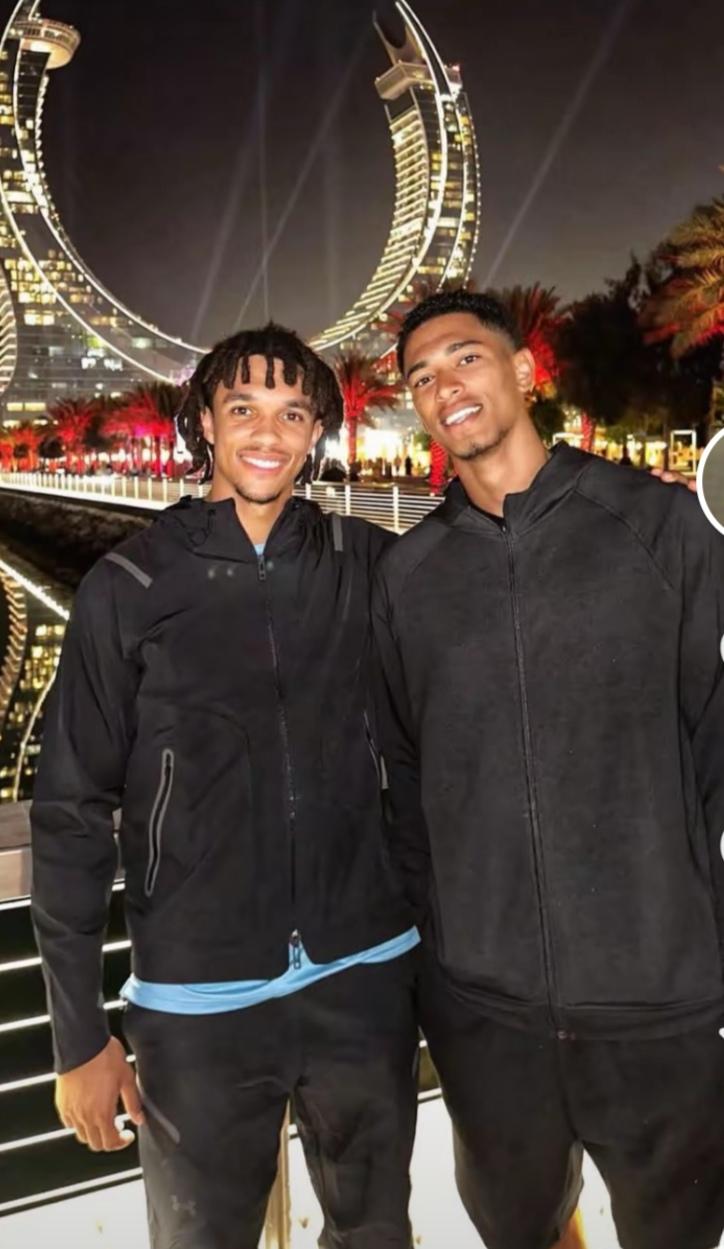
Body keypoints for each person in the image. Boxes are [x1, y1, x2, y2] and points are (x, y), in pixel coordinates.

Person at [31, 323, 419, 1249]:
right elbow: (72, 812)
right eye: (243, 407)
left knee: (375, 1233)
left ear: (316, 430)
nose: (267, 433)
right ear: (204, 421)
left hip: (366, 975)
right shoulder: (128, 584)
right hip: (196, 1002)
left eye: (292, 412)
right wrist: (78, 1034)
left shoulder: (367, 563)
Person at [372, 288, 724, 1249]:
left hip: (659, 998)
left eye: (466, 357)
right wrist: (445, 968)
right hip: (489, 1014)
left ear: (525, 370)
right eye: (423, 377)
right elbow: (406, 786)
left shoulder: (660, 528)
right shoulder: (407, 578)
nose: (445, 385)